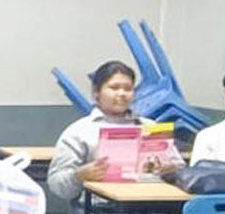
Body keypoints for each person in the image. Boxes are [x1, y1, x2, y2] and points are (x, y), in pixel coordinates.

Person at [45, 61, 167, 200]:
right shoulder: (79, 132)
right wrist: (78, 176)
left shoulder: (151, 127)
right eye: (114, 88)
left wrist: (169, 170)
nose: (122, 93)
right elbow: (56, 184)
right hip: (100, 212)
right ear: (96, 92)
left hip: (150, 207)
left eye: (128, 88)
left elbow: (178, 169)